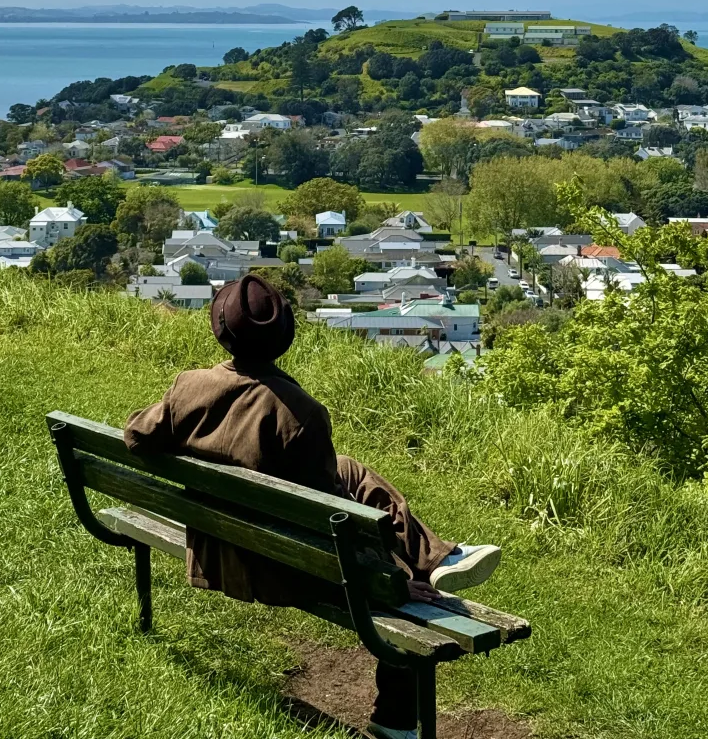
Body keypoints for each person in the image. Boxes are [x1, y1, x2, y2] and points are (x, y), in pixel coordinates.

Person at [125, 274, 501, 739]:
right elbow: (333, 519)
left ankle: (438, 554)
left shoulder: (189, 387)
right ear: (285, 337)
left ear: (220, 330)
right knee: (396, 565)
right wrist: (396, 580)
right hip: (280, 567)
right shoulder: (299, 413)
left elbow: (136, 435)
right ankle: (396, 712)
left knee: (350, 470)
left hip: (218, 546)